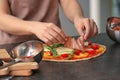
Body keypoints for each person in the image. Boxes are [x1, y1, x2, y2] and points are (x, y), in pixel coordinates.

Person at [0, 0, 98, 46]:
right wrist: (33, 27)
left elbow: (68, 2)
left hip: (53, 45)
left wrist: (78, 18)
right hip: (13, 48)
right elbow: (2, 17)